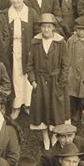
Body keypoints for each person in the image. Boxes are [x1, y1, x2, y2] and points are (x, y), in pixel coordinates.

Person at [27, 13, 71, 148]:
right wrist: (33, 81)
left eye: (49, 27)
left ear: (53, 28)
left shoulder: (60, 42)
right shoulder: (35, 43)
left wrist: (61, 83)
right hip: (40, 82)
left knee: (56, 110)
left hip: (56, 81)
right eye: (43, 27)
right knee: (42, 109)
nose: (46, 30)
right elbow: (29, 65)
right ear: (40, 28)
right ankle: (45, 136)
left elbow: (66, 64)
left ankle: (54, 135)